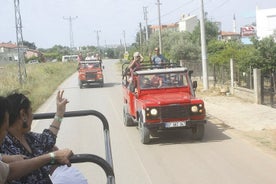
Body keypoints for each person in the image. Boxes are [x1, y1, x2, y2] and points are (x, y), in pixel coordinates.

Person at [1, 91, 87, 184]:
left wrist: (59, 113)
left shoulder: (29, 137)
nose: (32, 116)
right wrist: (52, 156)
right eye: (31, 111)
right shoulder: (4, 143)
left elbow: (48, 139)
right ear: (23, 115)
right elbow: (11, 171)